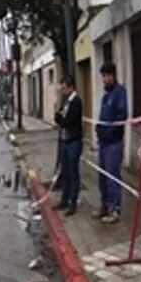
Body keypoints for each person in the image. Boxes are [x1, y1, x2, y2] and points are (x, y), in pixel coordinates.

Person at [95, 63, 127, 223]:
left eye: (106, 76)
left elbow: (121, 115)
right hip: (104, 142)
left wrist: (112, 130)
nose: (104, 79)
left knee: (112, 176)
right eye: (103, 76)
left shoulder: (119, 93)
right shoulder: (106, 95)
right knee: (102, 176)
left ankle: (115, 209)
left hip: (113, 142)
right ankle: (105, 205)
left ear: (113, 75)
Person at [54, 75, 83, 215]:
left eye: (64, 88)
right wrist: (60, 118)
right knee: (64, 172)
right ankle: (64, 199)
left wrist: (61, 118)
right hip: (65, 141)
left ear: (71, 87)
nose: (62, 90)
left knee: (73, 172)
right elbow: (58, 117)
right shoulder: (65, 101)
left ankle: (73, 201)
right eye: (61, 88)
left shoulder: (76, 102)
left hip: (73, 141)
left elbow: (68, 121)